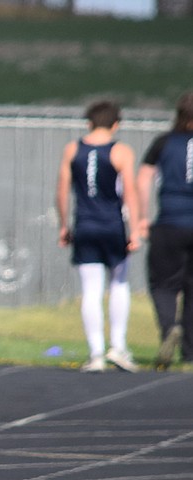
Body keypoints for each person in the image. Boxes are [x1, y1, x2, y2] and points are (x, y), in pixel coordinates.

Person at [55, 101, 142, 373]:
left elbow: (62, 190)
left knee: (91, 290)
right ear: (116, 124)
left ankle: (96, 353)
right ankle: (117, 346)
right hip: (112, 226)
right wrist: (135, 228)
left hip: (85, 226)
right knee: (119, 283)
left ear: (89, 123)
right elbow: (130, 191)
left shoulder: (73, 149)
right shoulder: (121, 151)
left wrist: (63, 225)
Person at [136, 92, 193, 369]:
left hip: (169, 222)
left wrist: (142, 218)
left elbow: (144, 178)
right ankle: (190, 350)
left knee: (163, 285)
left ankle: (170, 327)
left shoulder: (163, 143)